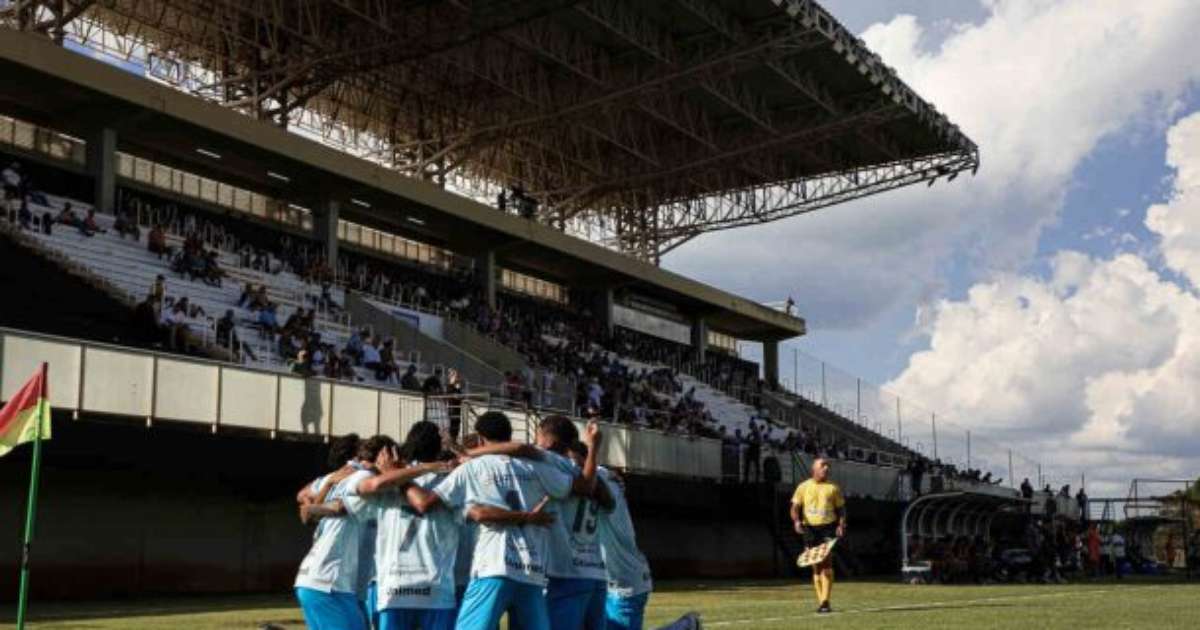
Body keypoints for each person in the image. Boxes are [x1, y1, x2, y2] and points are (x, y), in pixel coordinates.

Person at [405, 411, 574, 630]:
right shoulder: (534, 466)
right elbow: (577, 487)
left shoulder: (473, 468)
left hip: (494, 566)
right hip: (531, 571)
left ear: (480, 438)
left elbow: (425, 503)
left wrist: (398, 477)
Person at [567, 442, 653, 630]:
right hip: (601, 580)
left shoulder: (601, 479)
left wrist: (594, 448)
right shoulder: (599, 476)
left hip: (624, 583)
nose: (567, 465)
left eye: (571, 460)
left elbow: (602, 494)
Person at [790, 458, 846, 614]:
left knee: (826, 563)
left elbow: (841, 509)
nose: (826, 468)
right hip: (810, 529)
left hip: (828, 528)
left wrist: (841, 525)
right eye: (823, 465)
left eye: (828, 466)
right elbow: (795, 507)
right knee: (815, 565)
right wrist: (796, 522)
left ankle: (825, 602)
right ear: (814, 469)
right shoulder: (803, 487)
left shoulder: (833, 488)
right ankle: (822, 601)